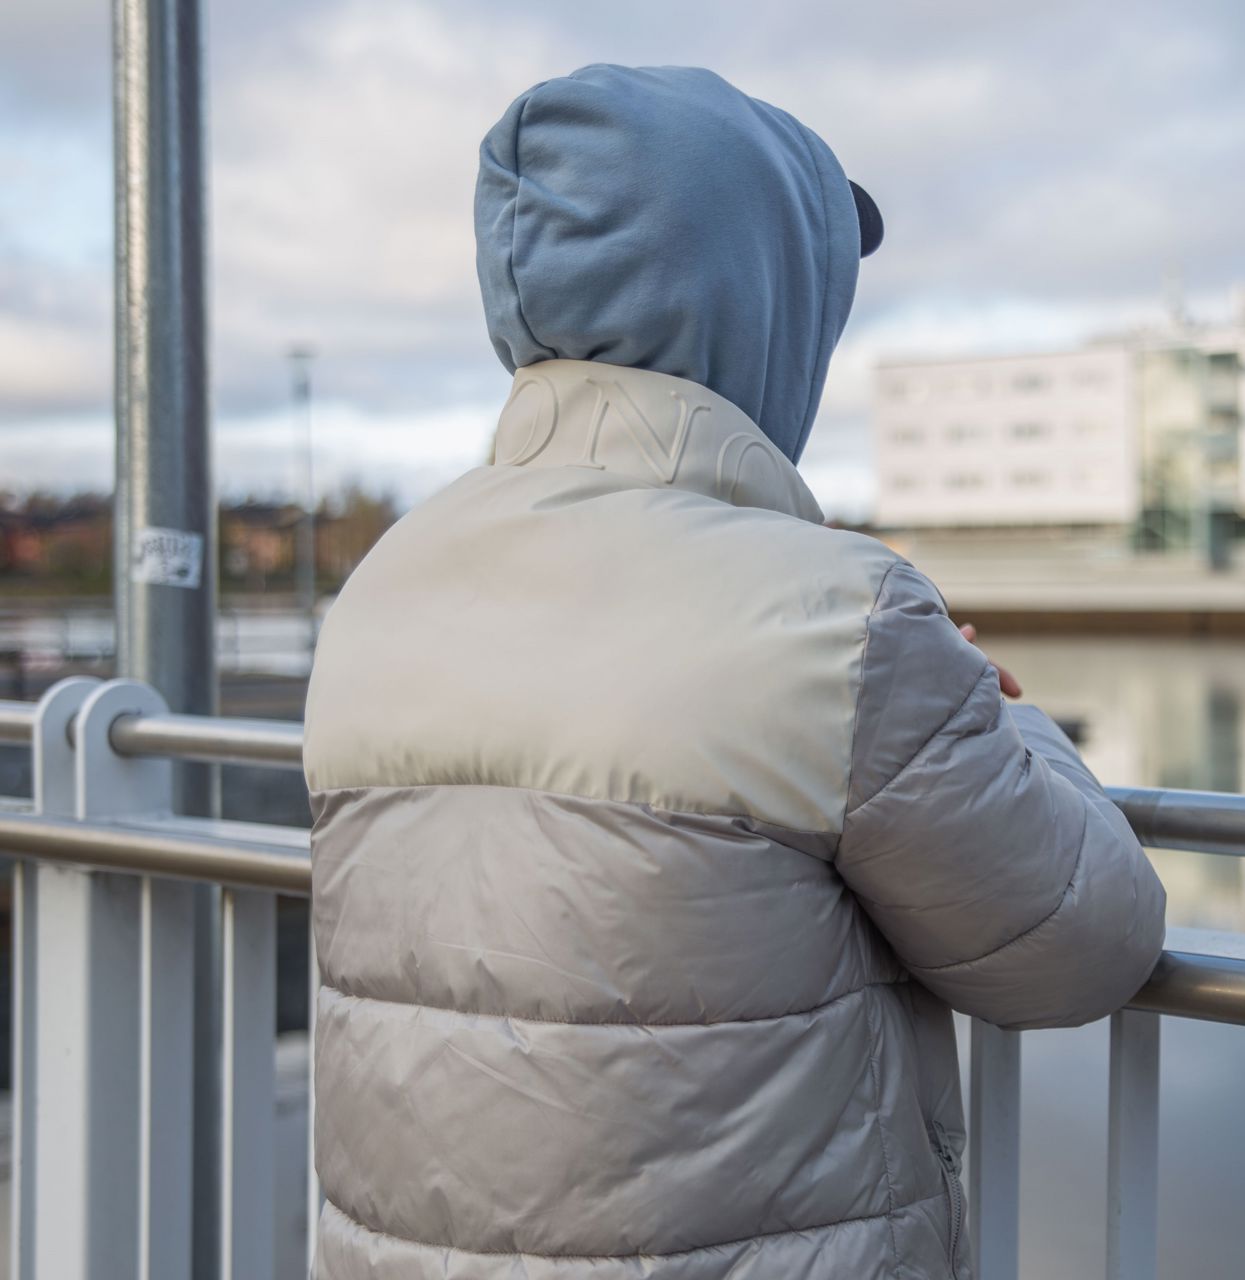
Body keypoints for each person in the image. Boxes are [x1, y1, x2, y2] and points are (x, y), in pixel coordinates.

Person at [302, 64, 1166, 1280]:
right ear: (757, 304)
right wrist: (1000, 717)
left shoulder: (384, 588)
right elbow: (1083, 941)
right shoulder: (834, 616)